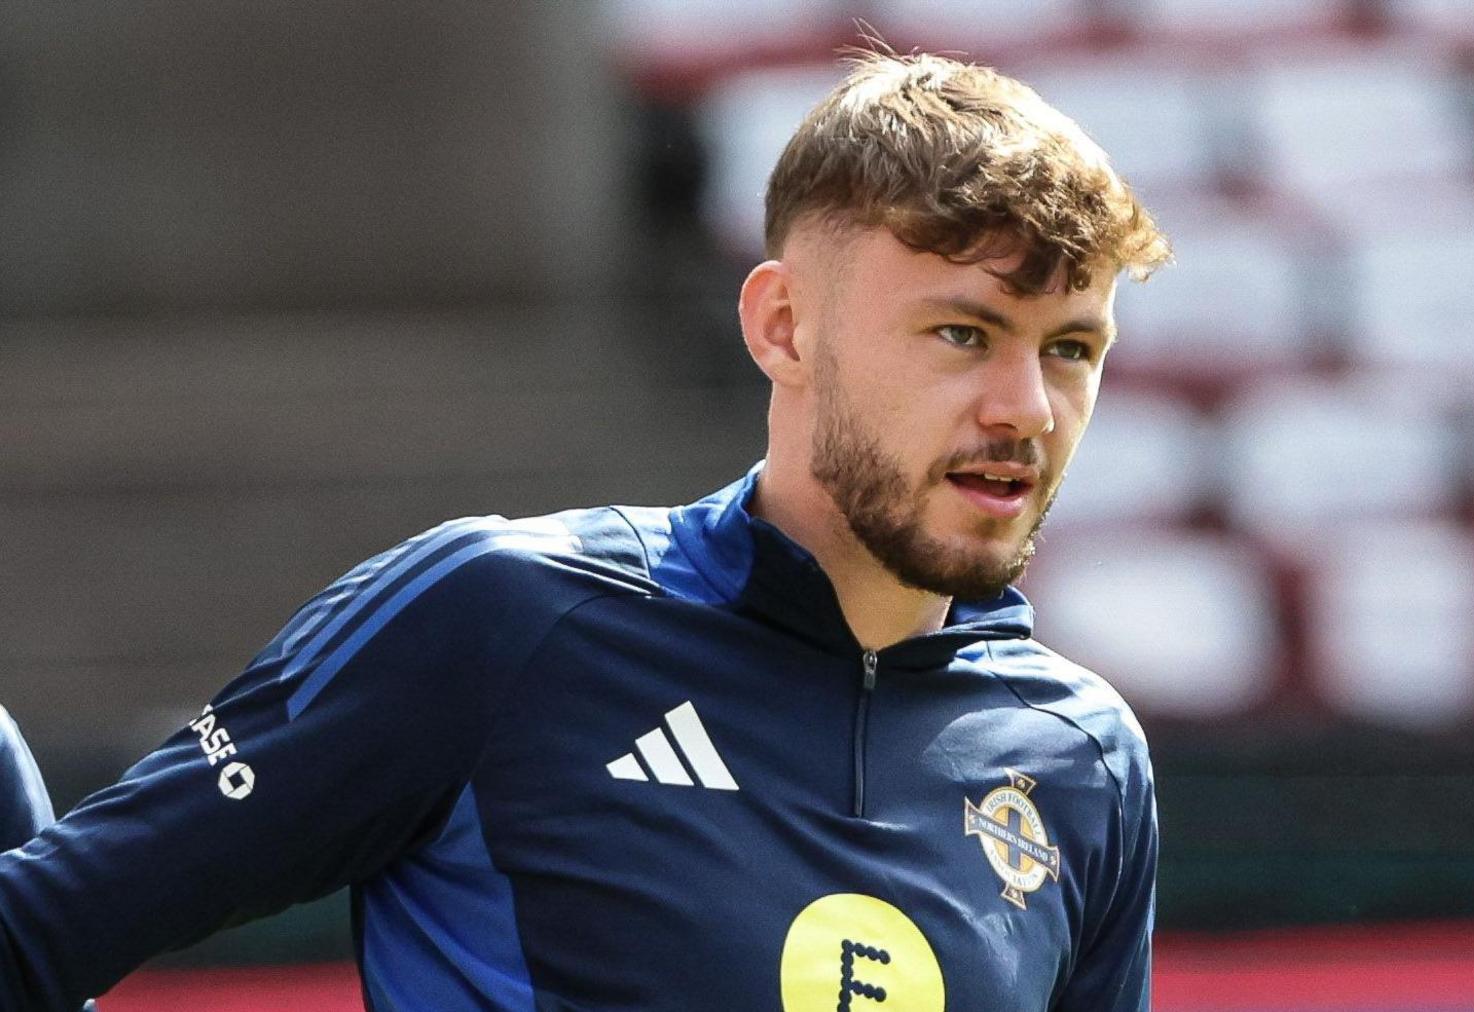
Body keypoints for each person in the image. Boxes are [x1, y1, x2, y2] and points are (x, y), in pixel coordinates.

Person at [0, 48, 1170, 1011]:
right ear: (784, 327)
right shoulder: (501, 616)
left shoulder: (1083, 760)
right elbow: (34, 934)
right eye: (964, 333)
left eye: (1072, 348)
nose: (1027, 408)